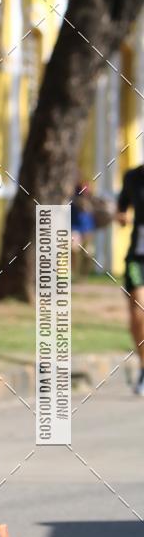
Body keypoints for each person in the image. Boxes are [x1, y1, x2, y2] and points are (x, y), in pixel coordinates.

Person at [117, 163, 144, 395]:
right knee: (137, 311)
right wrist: (121, 215)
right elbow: (122, 205)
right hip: (138, 256)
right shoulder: (133, 177)